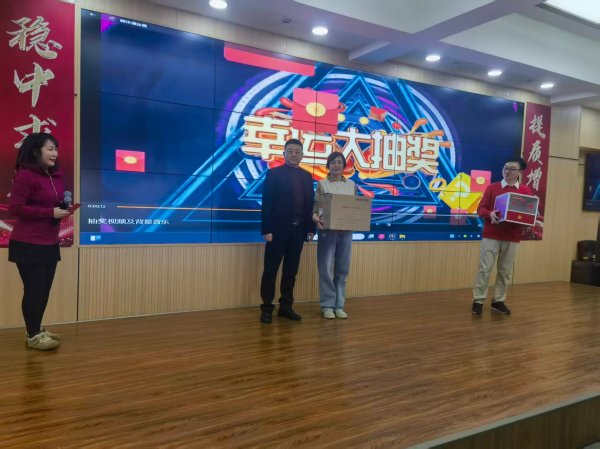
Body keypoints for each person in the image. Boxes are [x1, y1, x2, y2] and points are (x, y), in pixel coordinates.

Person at [8, 133, 70, 350]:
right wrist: (49, 213)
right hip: (28, 243)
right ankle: (32, 335)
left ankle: (37, 328)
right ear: (36, 151)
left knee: (44, 290)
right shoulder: (25, 176)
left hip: (49, 241)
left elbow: (49, 205)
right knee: (34, 290)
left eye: (56, 149)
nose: (55, 153)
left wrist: (62, 209)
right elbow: (15, 208)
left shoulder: (56, 176)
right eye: (50, 149)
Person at [259, 138, 315, 323]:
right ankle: (267, 308)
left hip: (298, 231)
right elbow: (267, 202)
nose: (293, 155)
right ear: (284, 154)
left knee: (291, 271)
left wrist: (311, 229)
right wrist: (266, 229)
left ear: (302, 155)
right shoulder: (274, 174)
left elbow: (309, 204)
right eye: (290, 151)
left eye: (297, 152)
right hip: (277, 231)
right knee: (270, 270)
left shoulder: (307, 176)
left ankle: (286, 307)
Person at [472, 157, 532, 316]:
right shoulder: (492, 187)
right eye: (505, 168)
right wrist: (489, 214)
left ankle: (498, 301)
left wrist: (528, 222)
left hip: (512, 236)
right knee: (484, 269)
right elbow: (480, 209)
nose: (507, 171)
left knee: (505, 271)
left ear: (520, 172)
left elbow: (528, 213)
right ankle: (478, 301)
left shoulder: (525, 191)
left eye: (512, 169)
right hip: (491, 234)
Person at [312, 152, 356, 319]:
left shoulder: (351, 184)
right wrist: (315, 215)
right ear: (328, 165)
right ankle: (327, 306)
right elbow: (317, 207)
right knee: (326, 268)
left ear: (344, 165)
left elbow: (354, 207)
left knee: (342, 268)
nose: (336, 165)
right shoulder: (322, 184)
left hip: (346, 231)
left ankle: (339, 305)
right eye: (333, 162)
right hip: (327, 231)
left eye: (339, 162)